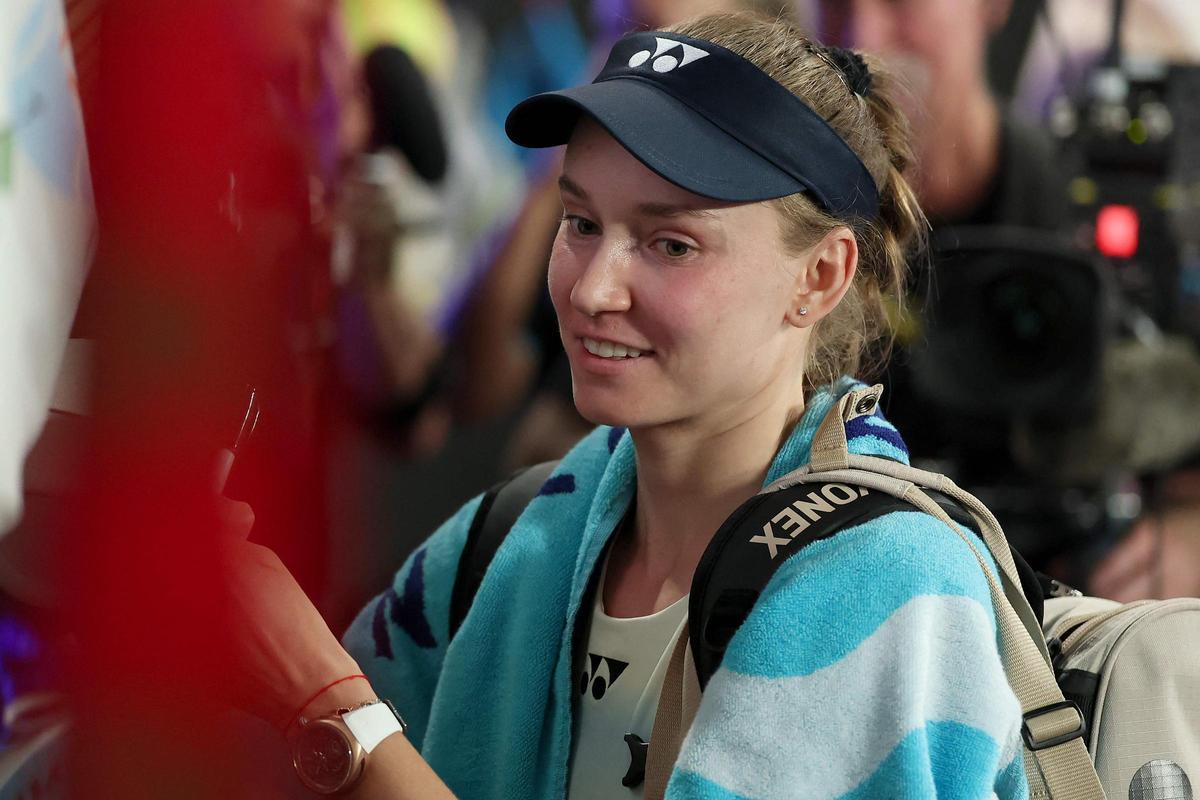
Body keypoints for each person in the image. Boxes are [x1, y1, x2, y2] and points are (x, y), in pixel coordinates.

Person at [223, 12, 1028, 798]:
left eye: (671, 244)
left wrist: (332, 711)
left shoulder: (890, 588)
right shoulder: (507, 544)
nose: (593, 289)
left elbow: (345, 725)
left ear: (819, 277)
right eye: (580, 222)